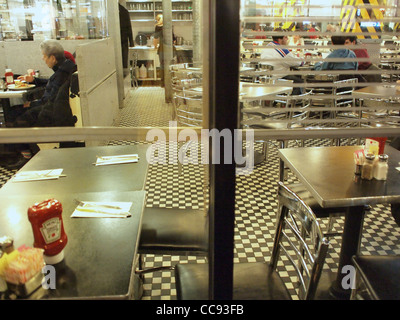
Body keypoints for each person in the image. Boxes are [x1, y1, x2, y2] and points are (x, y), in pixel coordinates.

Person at [4, 40, 77, 169]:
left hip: (49, 114)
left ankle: (25, 155)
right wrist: (35, 80)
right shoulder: (66, 68)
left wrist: (32, 104)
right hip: (52, 109)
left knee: (13, 115)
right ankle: (22, 151)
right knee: (15, 112)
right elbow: (53, 83)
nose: (43, 59)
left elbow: (50, 100)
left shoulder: (62, 73)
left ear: (52, 58)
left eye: (44, 56)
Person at [260, 28, 304, 94]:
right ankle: (294, 103)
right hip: (278, 79)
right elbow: (297, 62)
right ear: (280, 39)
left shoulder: (267, 46)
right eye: (285, 37)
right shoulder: (282, 50)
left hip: (266, 79)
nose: (287, 39)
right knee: (299, 81)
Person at [119, 2, 134, 76]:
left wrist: (131, 43)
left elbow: (129, 28)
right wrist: (131, 43)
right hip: (124, 41)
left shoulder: (123, 11)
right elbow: (129, 28)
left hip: (122, 41)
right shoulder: (124, 11)